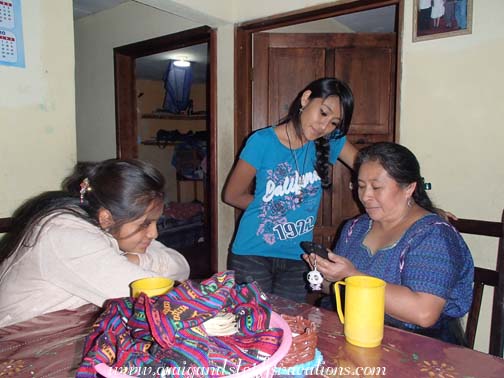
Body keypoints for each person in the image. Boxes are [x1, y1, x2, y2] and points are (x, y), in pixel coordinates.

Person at [303, 142, 474, 345]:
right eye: (360, 185)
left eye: (376, 187)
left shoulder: (433, 235)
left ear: (409, 188)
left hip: (414, 344)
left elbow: (424, 313)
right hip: (354, 331)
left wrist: (351, 275)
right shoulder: (355, 228)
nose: (365, 196)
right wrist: (323, 273)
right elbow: (335, 288)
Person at [0, 159, 190, 327]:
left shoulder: (108, 224)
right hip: (13, 346)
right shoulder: (66, 237)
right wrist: (140, 264)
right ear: (106, 217)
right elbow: (154, 297)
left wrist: (137, 261)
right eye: (145, 224)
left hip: (50, 332)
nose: (154, 233)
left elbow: (181, 266)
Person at [223, 77, 358, 303]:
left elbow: (370, 167)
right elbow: (231, 195)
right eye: (323, 113)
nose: (324, 126)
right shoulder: (262, 141)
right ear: (306, 99)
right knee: (254, 324)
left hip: (300, 257)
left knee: (290, 324)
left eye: (334, 122)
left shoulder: (331, 141)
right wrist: (272, 210)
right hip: (252, 254)